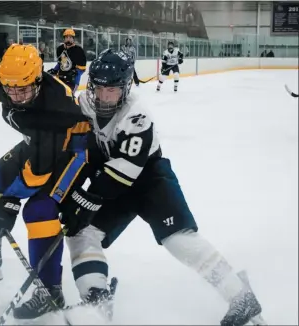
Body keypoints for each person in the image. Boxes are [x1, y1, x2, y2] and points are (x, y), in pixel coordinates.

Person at [63, 49, 266, 326]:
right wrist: (70, 193)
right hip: (112, 181)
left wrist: (84, 198)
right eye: (98, 88)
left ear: (125, 88)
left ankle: (241, 296)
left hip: (149, 179)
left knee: (178, 239)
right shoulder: (84, 106)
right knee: (81, 233)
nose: (103, 97)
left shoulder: (137, 116)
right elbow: (79, 153)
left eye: (111, 90)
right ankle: (96, 299)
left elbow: (125, 171)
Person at [0, 44, 103, 317]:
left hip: (73, 149)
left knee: (39, 210)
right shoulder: (6, 77)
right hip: (37, 143)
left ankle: (50, 290)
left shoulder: (55, 108)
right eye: (9, 90)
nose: (15, 96)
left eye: (23, 90)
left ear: (38, 79)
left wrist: (11, 201)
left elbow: (39, 171)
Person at [47, 29, 87, 93]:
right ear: (64, 38)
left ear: (73, 39)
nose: (68, 39)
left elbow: (82, 68)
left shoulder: (79, 51)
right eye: (66, 37)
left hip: (72, 82)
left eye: (70, 37)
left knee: (68, 98)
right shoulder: (60, 49)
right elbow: (61, 63)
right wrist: (55, 70)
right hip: (60, 79)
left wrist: (75, 73)